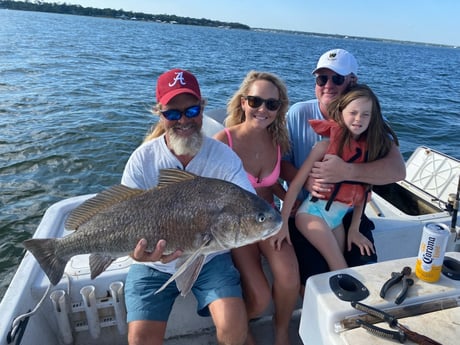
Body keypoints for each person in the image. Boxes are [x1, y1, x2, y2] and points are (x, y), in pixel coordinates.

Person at [122, 68, 255, 345]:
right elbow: (124, 216)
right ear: (159, 113)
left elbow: (247, 207)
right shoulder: (142, 159)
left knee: (234, 326)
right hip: (153, 267)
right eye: (172, 113)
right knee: (139, 339)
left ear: (203, 109)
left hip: (209, 258)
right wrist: (140, 255)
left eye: (191, 110)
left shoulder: (224, 158)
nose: (183, 120)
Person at [281, 49, 406, 291]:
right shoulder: (298, 113)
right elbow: (280, 164)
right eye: (321, 79)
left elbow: (397, 171)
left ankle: (360, 319)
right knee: (315, 279)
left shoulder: (367, 121)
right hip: (305, 212)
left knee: (364, 269)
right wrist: (306, 181)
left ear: (352, 82)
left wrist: (346, 171)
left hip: (347, 215)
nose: (328, 85)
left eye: (337, 79)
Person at [214, 71, 299, 345]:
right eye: (255, 101)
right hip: (238, 225)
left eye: (271, 104)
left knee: (288, 278)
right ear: (243, 103)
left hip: (270, 217)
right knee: (260, 297)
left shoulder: (277, 141)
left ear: (279, 109)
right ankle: (243, 325)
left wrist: (286, 194)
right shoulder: (223, 141)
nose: (263, 109)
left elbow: (267, 181)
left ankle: (281, 330)